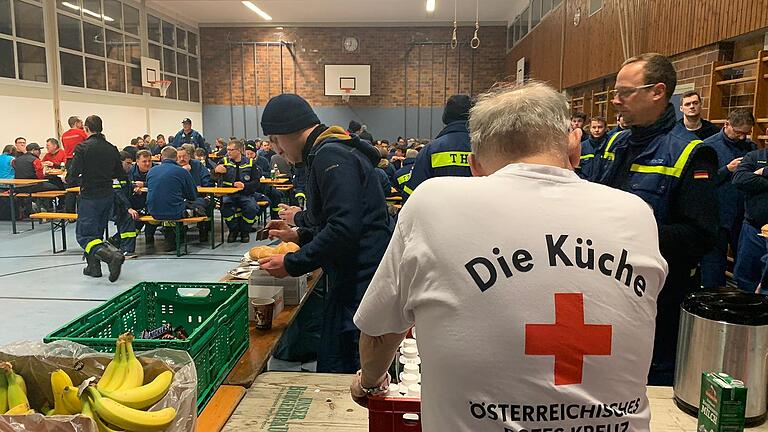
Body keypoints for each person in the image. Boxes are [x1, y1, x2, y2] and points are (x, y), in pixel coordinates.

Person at [350, 82, 667, 432]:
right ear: (574, 152)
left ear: (475, 167)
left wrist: (369, 382)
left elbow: (380, 334)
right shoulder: (636, 213)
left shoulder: (433, 203)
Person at [596, 53, 718, 385]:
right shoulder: (616, 144)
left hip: (657, 303)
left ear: (657, 92)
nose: (615, 100)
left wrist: (630, 234)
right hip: (606, 291)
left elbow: (700, 236)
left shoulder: (691, 153)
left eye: (625, 92)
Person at [256, 93, 392, 373]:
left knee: (347, 368)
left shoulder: (329, 155)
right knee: (337, 358)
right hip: (355, 277)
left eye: (275, 140)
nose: (277, 151)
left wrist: (292, 263)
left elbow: (344, 229)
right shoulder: (331, 150)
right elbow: (336, 219)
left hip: (359, 282)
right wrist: (299, 235)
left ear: (287, 132)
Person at [65, 115, 126, 282]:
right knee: (97, 233)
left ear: (86, 129)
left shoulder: (82, 147)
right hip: (107, 195)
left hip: (90, 196)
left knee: (85, 236)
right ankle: (94, 267)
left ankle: (111, 256)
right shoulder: (112, 148)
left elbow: (74, 173)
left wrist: (69, 181)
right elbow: (120, 174)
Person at [700, 109, 756, 290]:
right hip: (717, 216)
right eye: (738, 133)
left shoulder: (751, 147)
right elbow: (700, 182)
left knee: (745, 266)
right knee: (713, 268)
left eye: (746, 134)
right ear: (726, 125)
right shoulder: (707, 146)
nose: (741, 138)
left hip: (744, 216)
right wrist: (727, 169)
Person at [404, 95, 473, 197]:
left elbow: (412, 192)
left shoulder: (431, 149)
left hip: (439, 212)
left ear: (446, 116)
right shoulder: (487, 148)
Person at [213, 139, 262, 243]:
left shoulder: (250, 163)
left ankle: (245, 231)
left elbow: (256, 183)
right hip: (228, 194)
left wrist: (244, 185)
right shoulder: (224, 161)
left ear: (239, 150)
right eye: (228, 150)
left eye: (231, 150)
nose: (228, 152)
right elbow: (212, 177)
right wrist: (216, 170)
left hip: (245, 194)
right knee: (225, 208)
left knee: (251, 208)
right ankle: (233, 230)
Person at [146, 146, 197, 221]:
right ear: (176, 158)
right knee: (201, 202)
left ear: (162, 157)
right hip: (175, 212)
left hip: (153, 212)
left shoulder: (151, 171)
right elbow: (192, 196)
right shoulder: (182, 172)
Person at [178, 144, 212, 242]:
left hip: (197, 196)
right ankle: (179, 235)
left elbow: (207, 180)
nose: (182, 159)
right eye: (179, 157)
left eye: (184, 156)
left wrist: (203, 187)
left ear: (189, 156)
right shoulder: (174, 168)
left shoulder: (197, 165)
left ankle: (204, 231)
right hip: (180, 199)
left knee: (206, 203)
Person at [577, 116, 609, 181]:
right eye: (594, 127)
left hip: (605, 186)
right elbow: (577, 168)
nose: (597, 130)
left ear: (605, 128)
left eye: (600, 127)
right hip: (586, 185)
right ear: (590, 129)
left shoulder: (611, 145)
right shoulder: (582, 146)